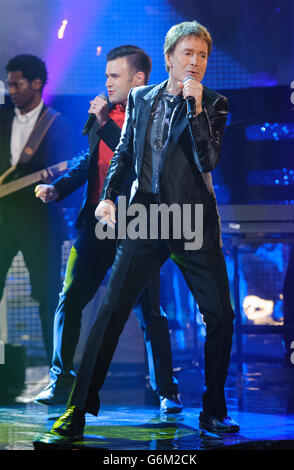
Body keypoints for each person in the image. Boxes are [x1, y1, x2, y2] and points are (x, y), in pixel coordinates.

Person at [48, 21, 239, 440]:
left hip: (191, 220)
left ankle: (213, 409)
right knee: (111, 310)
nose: (195, 62)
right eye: (187, 54)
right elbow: (125, 152)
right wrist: (107, 196)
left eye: (202, 55)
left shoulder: (215, 103)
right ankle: (75, 413)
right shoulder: (140, 98)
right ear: (170, 58)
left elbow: (208, 160)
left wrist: (196, 108)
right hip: (145, 216)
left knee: (221, 316)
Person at [33, 45, 182, 414]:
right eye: (106, 76)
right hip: (96, 224)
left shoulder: (156, 113)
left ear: (139, 79)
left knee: (149, 311)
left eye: (114, 76)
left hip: (136, 225)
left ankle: (166, 391)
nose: (107, 83)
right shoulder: (104, 115)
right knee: (70, 298)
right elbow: (91, 160)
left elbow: (137, 163)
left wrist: (104, 125)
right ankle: (61, 380)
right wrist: (61, 187)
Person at [0, 54, 74, 364]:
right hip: (3, 222)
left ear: (37, 84)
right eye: (8, 84)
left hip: (40, 224)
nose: (10, 90)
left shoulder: (58, 126)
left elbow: (69, 178)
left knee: (48, 299)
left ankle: (58, 373)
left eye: (16, 84)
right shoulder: (2, 119)